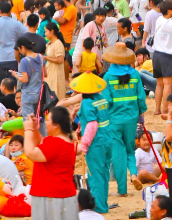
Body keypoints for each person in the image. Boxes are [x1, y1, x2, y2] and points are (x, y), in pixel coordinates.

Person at [101, 43, 147, 195]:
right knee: (130, 150)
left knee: (118, 154)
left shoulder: (108, 77)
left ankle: (122, 189)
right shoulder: (135, 75)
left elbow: (107, 101)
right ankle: (133, 174)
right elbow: (141, 98)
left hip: (114, 120)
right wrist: (141, 111)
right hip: (131, 118)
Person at [68, 73, 112, 213]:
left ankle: (98, 206)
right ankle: (103, 204)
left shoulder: (87, 103)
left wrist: (85, 145)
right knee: (104, 173)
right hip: (107, 139)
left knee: (95, 175)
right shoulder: (101, 98)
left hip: (96, 143)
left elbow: (92, 124)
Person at [24, 109, 78, 220]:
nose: (45, 123)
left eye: (48, 120)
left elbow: (30, 153)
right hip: (59, 194)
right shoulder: (63, 140)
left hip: (50, 195)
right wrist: (34, 129)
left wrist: (28, 130)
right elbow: (40, 143)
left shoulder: (56, 143)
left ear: (56, 125)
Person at [43, 23, 67, 99]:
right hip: (50, 71)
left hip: (56, 72)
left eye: (46, 31)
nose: (45, 34)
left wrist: (47, 58)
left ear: (52, 31)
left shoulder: (58, 43)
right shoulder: (50, 43)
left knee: (55, 93)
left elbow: (60, 60)